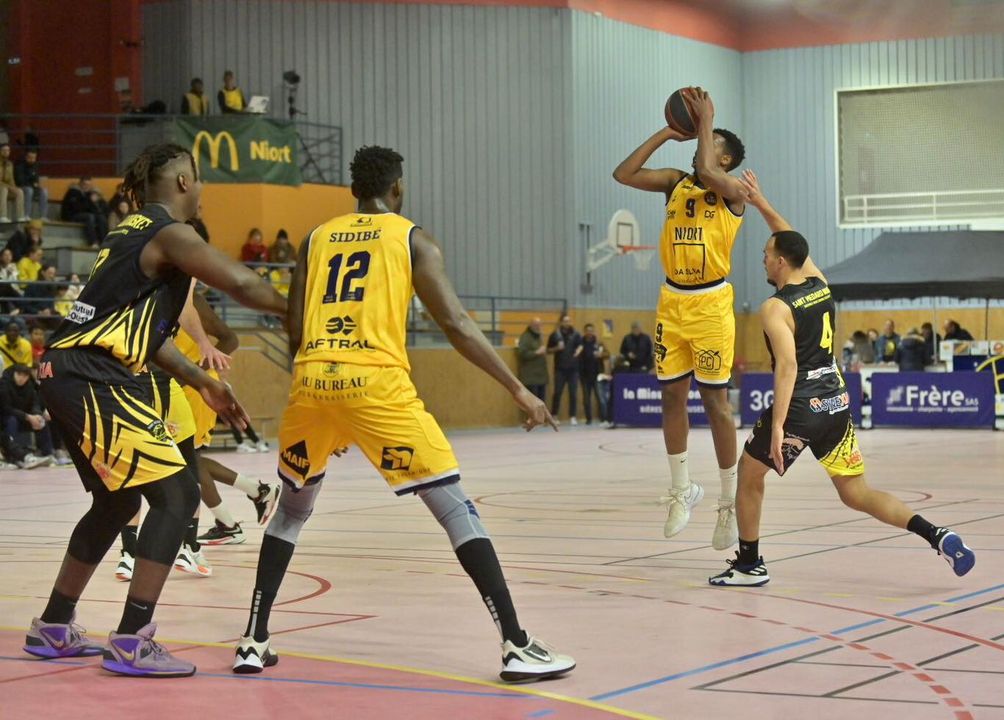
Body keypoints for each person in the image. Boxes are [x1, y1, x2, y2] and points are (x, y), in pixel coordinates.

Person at [234, 145, 574, 683]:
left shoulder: (316, 237)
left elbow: (295, 326)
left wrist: (328, 407)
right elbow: (456, 323)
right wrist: (517, 388)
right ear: (398, 189)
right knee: (456, 509)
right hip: (375, 386)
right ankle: (516, 644)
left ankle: (253, 642)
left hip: (312, 381)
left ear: (353, 191)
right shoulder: (412, 238)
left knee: (291, 512)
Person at [21, 142, 286, 678]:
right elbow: (243, 283)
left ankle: (54, 625)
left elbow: (147, 336)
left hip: (69, 371)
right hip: (96, 375)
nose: (202, 188)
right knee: (177, 494)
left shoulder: (129, 232)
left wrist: (200, 379)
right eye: (200, 178)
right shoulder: (170, 233)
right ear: (185, 181)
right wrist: (305, 307)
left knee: (117, 503)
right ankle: (131, 640)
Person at [709, 204, 974, 586]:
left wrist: (778, 425)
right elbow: (794, 241)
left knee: (749, 475)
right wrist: (761, 202)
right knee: (856, 492)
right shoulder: (820, 285)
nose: (763, 260)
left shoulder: (775, 308)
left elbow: (788, 367)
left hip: (802, 405)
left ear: (781, 262)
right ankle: (936, 534)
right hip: (835, 400)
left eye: (766, 255)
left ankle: (749, 566)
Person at [613, 87, 747, 548]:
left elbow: (708, 170)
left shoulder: (734, 192)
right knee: (672, 397)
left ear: (726, 159)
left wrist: (706, 119)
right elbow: (624, 173)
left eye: (711, 144)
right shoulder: (675, 183)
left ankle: (729, 502)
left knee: (716, 404)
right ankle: (681, 489)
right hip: (672, 301)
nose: (700, 149)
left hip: (711, 305)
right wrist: (668, 132)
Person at [0, 363, 55, 463]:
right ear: (14, 373)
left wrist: (37, 414)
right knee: (12, 420)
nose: (21, 378)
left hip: (24, 417)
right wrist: (28, 417)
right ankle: (13, 457)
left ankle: (48, 454)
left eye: (24, 376)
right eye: (19, 375)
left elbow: (35, 403)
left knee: (41, 421)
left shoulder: (30, 385)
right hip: (6, 419)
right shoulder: (4, 385)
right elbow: (6, 408)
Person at [547, 315, 582, 424]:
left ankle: (573, 416)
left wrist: (578, 351)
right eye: (565, 321)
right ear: (561, 322)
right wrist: (557, 348)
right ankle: (554, 415)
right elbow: (548, 350)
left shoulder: (576, 334)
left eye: (569, 321)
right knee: (557, 392)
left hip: (573, 369)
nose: (567, 323)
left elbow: (581, 345)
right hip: (560, 368)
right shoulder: (555, 335)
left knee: (573, 393)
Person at [60, 177, 108, 248]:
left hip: (83, 214)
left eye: (89, 185)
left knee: (100, 217)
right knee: (89, 217)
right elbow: (77, 208)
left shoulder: (88, 194)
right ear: (80, 184)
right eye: (85, 184)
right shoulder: (73, 192)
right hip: (70, 215)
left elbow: (93, 210)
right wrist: (90, 201)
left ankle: (104, 242)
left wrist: (94, 204)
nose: (87, 187)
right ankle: (93, 242)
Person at [579, 323, 608, 425]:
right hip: (585, 375)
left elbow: (607, 354)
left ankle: (603, 418)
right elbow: (577, 356)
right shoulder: (581, 343)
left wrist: (601, 354)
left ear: (593, 331)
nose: (589, 332)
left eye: (591, 330)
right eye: (587, 331)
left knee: (600, 398)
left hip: (597, 374)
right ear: (585, 332)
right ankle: (589, 419)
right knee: (586, 399)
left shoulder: (598, 343)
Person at [516, 317, 548, 402]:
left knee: (541, 403)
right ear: (531, 325)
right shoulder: (525, 337)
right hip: (530, 378)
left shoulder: (539, 337)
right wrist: (536, 352)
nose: (539, 327)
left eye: (540, 325)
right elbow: (522, 353)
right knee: (533, 403)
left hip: (541, 377)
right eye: (536, 325)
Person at [15, 148, 47, 220]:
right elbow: (20, 181)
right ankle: (26, 215)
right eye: (30, 158)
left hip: (32, 187)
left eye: (34, 158)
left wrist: (36, 184)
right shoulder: (19, 166)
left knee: (44, 191)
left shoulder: (35, 166)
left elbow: (36, 179)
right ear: (26, 157)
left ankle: (43, 216)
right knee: (29, 190)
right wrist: (32, 181)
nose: (32, 160)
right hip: (21, 187)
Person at [0, 143, 28, 223]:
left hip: (6, 188)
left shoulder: (10, 164)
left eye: (8, 150)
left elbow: (11, 180)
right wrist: (9, 187)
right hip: (2, 188)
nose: (6, 152)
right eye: (4, 150)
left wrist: (14, 188)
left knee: (19, 191)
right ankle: (2, 216)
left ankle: (20, 216)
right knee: (4, 190)